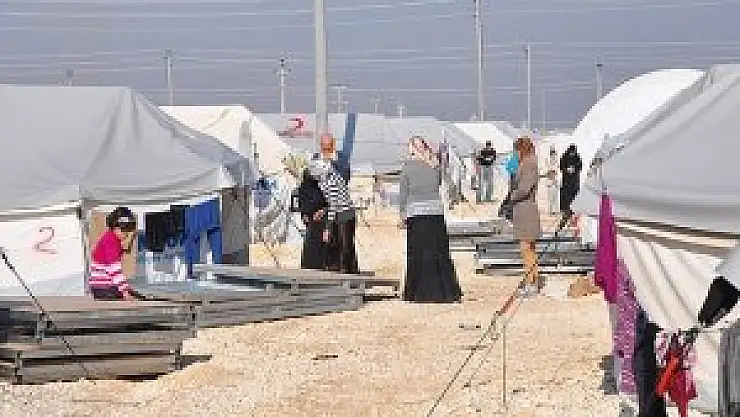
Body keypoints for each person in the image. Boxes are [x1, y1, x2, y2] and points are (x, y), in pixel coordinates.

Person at [399, 136, 462, 303]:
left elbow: (403, 193)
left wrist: (402, 215)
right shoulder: (434, 165)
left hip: (416, 214)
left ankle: (417, 292)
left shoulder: (407, 167)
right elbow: (438, 184)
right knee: (438, 251)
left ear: (412, 149)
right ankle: (444, 291)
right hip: (435, 213)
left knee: (417, 253)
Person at [309, 156, 359, 274]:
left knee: (345, 244)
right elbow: (332, 202)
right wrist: (323, 211)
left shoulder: (331, 180)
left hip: (346, 215)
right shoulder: (323, 181)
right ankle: (342, 268)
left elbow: (334, 204)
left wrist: (327, 228)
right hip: (338, 213)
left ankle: (346, 270)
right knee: (338, 242)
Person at [510, 136, 542, 296]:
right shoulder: (527, 163)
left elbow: (524, 189)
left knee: (526, 249)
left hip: (526, 210)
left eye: (516, 150)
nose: (515, 154)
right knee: (529, 249)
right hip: (523, 210)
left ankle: (531, 283)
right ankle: (532, 280)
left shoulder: (529, 164)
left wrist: (512, 196)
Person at [89, 207, 137, 301]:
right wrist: (125, 291)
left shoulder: (110, 238)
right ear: (114, 227)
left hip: (101, 287)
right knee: (132, 294)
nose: (126, 233)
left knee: (132, 292)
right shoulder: (111, 241)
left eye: (128, 229)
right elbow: (115, 269)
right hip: (104, 287)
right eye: (123, 229)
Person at [297, 167, 329, 270]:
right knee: (311, 243)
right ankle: (308, 264)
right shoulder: (303, 188)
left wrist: (322, 211)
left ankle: (320, 264)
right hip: (311, 220)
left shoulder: (320, 187)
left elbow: (328, 202)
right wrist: (304, 214)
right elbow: (302, 203)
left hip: (322, 219)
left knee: (321, 242)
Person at [559, 144, 583, 215]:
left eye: (573, 152)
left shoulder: (577, 157)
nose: (572, 153)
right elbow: (561, 166)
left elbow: (580, 167)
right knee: (565, 195)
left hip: (574, 181)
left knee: (574, 195)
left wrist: (574, 169)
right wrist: (567, 170)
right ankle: (565, 209)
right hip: (566, 181)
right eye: (571, 152)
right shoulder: (564, 157)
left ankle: (573, 209)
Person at [545, 146, 560, 215]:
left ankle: (556, 211)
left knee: (556, 198)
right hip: (550, 182)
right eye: (552, 152)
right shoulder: (547, 160)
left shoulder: (557, 161)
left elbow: (558, 171)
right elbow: (547, 170)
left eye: (554, 152)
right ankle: (550, 211)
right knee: (550, 198)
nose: (553, 154)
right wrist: (550, 173)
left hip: (555, 182)